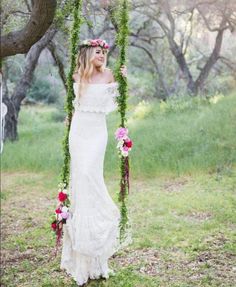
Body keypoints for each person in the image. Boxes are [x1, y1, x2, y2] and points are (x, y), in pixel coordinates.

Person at [60, 38, 131, 286]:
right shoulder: (77, 76)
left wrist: (123, 79)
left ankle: (102, 241)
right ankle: (84, 264)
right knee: (81, 186)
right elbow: (73, 108)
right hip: (78, 133)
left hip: (97, 134)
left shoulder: (109, 74)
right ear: (89, 52)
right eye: (99, 52)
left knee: (92, 178)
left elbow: (117, 100)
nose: (102, 55)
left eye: (104, 52)